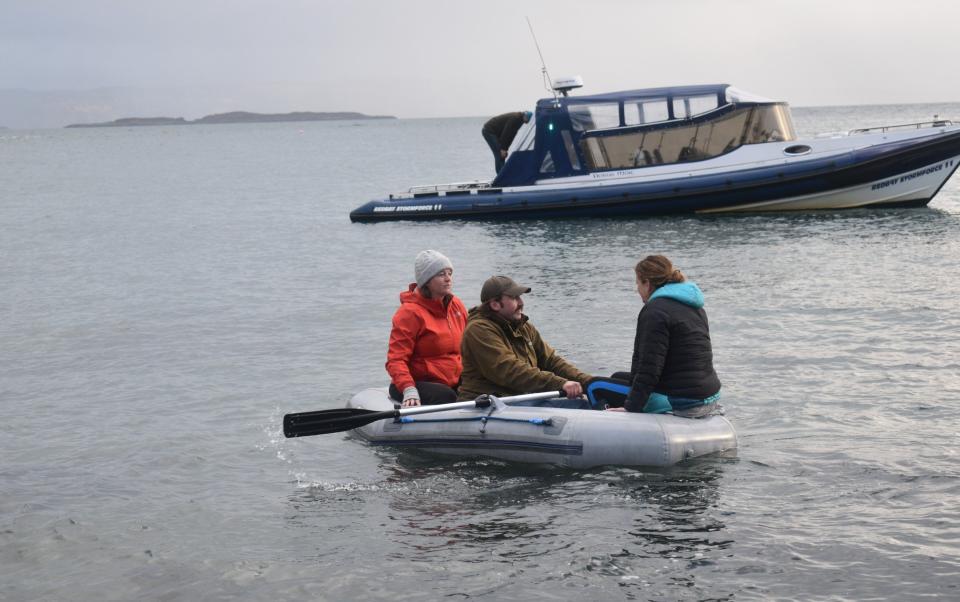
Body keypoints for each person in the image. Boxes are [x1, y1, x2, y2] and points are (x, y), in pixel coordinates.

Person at [593, 255, 721, 417]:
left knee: (595, 386)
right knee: (617, 377)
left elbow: (650, 367)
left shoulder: (655, 311)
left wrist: (631, 408)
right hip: (707, 396)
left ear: (647, 283)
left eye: (637, 283)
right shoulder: (693, 306)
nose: (636, 289)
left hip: (682, 402)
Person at [458, 275, 592, 402]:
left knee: (588, 402)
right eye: (515, 298)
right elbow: (509, 370)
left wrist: (589, 382)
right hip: (488, 403)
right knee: (581, 406)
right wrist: (560, 384)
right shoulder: (479, 330)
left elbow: (551, 361)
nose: (521, 303)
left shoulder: (523, 326)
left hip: (520, 399)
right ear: (495, 304)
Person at [385, 250, 467, 407]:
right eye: (441, 274)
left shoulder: (456, 305)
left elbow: (470, 348)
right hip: (415, 382)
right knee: (447, 396)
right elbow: (396, 359)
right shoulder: (409, 313)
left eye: (450, 273)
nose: (448, 278)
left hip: (451, 378)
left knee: (486, 389)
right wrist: (408, 389)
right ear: (426, 281)